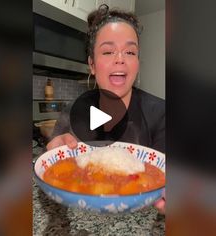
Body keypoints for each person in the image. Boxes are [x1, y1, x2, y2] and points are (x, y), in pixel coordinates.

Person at [47, 4, 165, 214]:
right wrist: (57, 154)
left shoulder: (161, 113)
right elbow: (58, 169)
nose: (120, 58)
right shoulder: (73, 113)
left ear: (138, 62)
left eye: (130, 51)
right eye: (108, 51)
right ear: (92, 64)